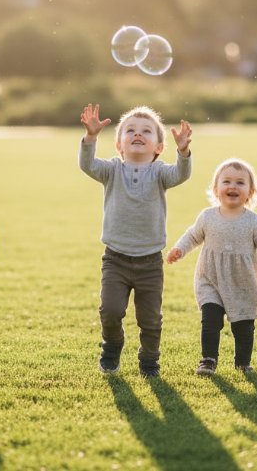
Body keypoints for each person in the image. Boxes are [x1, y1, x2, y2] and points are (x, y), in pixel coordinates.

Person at [79, 103, 193, 377]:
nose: (137, 134)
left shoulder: (161, 173)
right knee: (110, 310)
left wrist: (184, 152)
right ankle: (112, 344)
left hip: (150, 261)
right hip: (115, 258)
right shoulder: (112, 170)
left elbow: (181, 174)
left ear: (158, 147)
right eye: (130, 130)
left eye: (146, 131)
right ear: (119, 145)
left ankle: (149, 360)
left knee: (150, 319)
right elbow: (87, 164)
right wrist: (91, 138)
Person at [167, 158, 257, 376]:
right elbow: (193, 236)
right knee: (210, 319)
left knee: (243, 326)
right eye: (227, 181)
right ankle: (208, 360)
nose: (232, 186)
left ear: (250, 192)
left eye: (240, 183)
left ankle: (243, 363)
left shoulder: (253, 221)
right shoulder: (207, 217)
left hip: (243, 281)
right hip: (210, 278)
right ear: (216, 188)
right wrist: (179, 250)